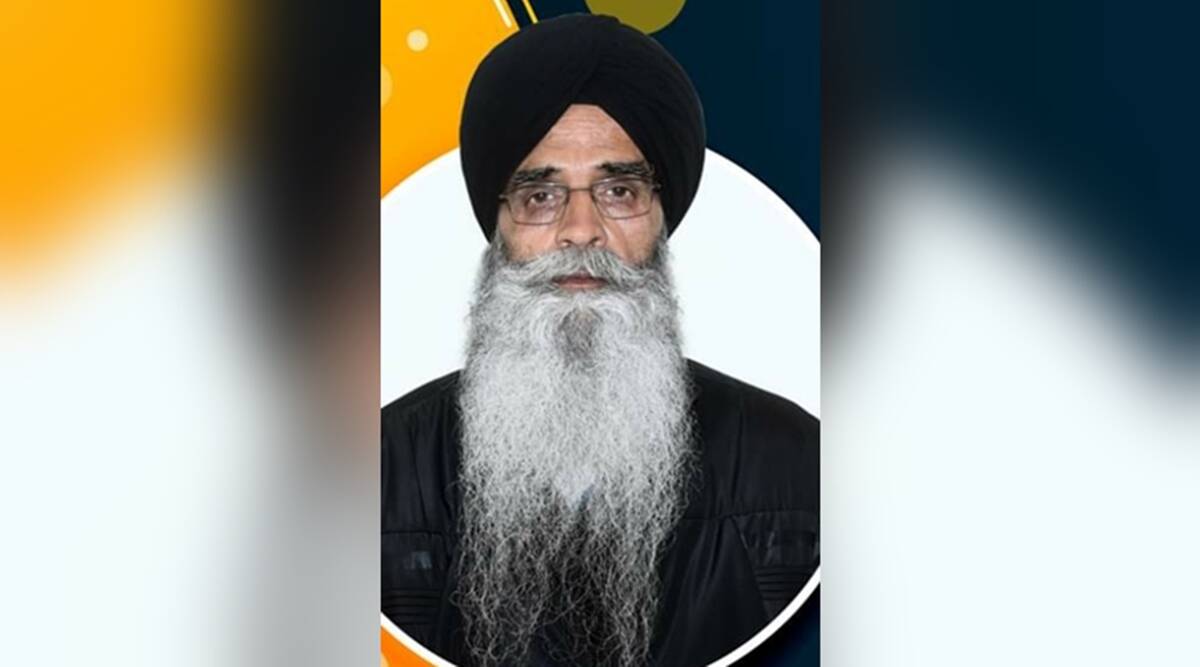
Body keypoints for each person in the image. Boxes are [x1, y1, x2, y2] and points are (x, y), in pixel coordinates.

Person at [382, 14, 818, 667]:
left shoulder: (798, 469)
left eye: (619, 190)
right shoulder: (381, 473)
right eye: (539, 195)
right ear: (497, 224)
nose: (580, 229)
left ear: (661, 216)